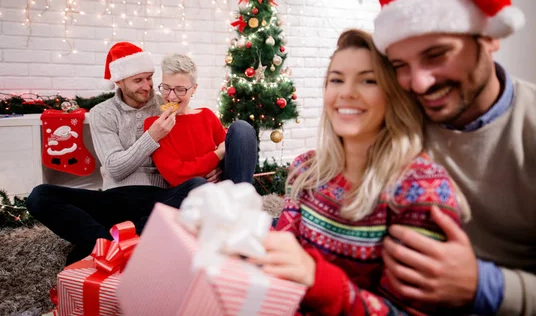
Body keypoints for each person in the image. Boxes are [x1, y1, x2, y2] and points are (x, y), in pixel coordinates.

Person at [254, 29, 470, 315]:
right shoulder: (305, 169)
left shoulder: (421, 188)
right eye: (336, 80)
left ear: (394, 95)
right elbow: (279, 269)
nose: (347, 93)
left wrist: (320, 280)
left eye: (368, 80)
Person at [372, 0, 535, 315]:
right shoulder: (403, 119)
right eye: (400, 64)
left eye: (436, 54)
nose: (419, 83)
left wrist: (484, 285)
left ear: (490, 38)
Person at [27, 42, 207, 265]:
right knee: (40, 196)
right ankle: (110, 245)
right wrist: (152, 137)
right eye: (138, 80)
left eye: (149, 78)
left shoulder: (165, 103)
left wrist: (214, 162)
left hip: (157, 200)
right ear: (119, 81)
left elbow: (194, 139)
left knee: (199, 186)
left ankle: (109, 245)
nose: (147, 86)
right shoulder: (102, 113)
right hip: (114, 198)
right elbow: (115, 168)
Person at [144, 53, 257, 186]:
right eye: (166, 88)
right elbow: (177, 175)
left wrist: (219, 168)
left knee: (242, 128)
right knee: (198, 182)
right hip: (190, 192)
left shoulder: (206, 116)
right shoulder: (155, 125)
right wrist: (217, 154)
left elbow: (232, 155)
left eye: (180, 90)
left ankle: (241, 198)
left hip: (222, 186)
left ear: (194, 89)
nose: (171, 96)